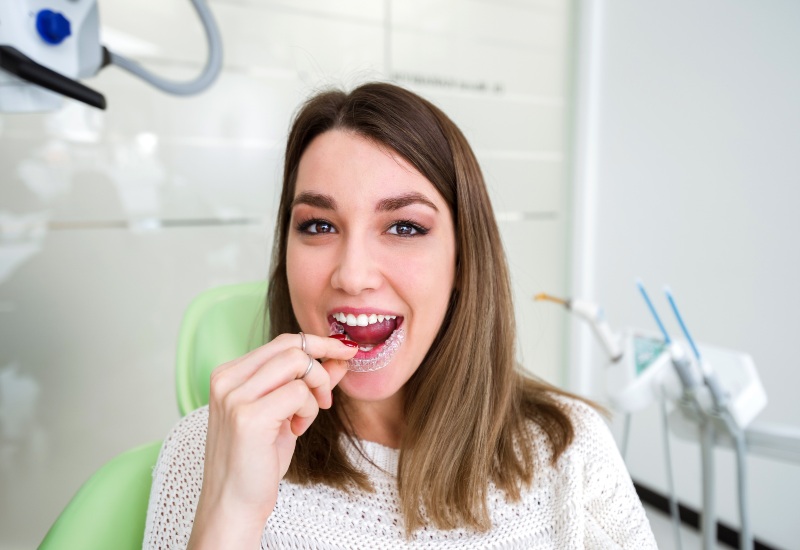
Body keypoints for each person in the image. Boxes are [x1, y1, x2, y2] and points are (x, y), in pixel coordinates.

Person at [143, 82, 657, 549]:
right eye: (319, 226)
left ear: (463, 260)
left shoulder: (571, 447)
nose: (353, 274)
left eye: (405, 228)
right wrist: (231, 515)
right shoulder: (209, 449)